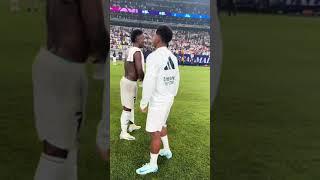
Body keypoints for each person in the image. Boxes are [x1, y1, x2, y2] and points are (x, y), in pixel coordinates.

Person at [32, 0, 108, 179]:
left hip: (53, 62)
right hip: (64, 69)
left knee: (66, 147)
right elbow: (95, 27)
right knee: (57, 152)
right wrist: (104, 54)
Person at [136, 25, 180, 175]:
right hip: (168, 98)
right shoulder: (172, 56)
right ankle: (166, 150)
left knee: (154, 131)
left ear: (159, 38)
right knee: (162, 124)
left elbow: (149, 82)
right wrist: (172, 94)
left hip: (158, 100)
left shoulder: (153, 56)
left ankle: (153, 164)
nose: (152, 38)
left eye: (154, 35)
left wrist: (143, 102)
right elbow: (176, 78)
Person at [119, 29, 145, 140]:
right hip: (130, 84)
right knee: (127, 108)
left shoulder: (130, 50)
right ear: (137, 39)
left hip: (127, 82)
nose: (144, 40)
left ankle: (131, 125)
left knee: (130, 106)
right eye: (143, 38)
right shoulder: (137, 52)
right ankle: (123, 132)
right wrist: (144, 80)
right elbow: (139, 70)